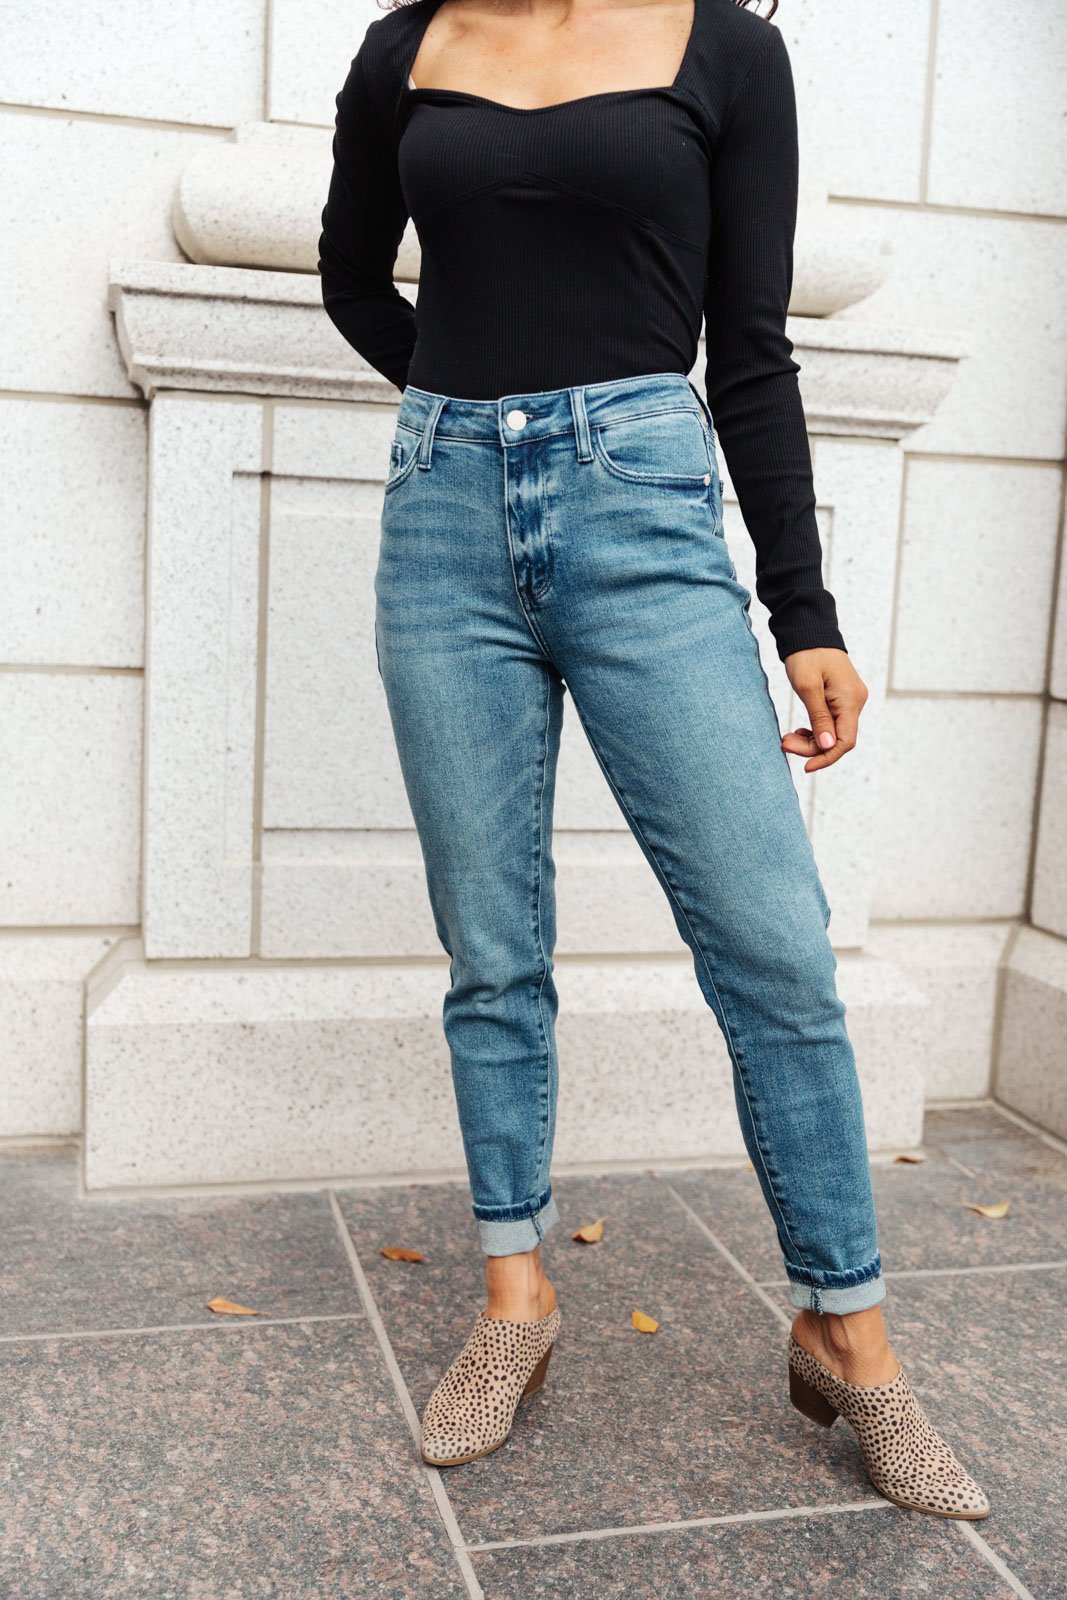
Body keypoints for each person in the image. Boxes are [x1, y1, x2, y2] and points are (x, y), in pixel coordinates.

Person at [317, 0, 989, 1517]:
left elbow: (750, 349)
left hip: (642, 504)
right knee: (492, 943)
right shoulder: (406, 46)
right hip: (441, 523)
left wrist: (804, 612)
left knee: (773, 945)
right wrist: (467, 419)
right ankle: (516, 1297)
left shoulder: (728, 50)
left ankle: (848, 1332)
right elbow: (351, 277)